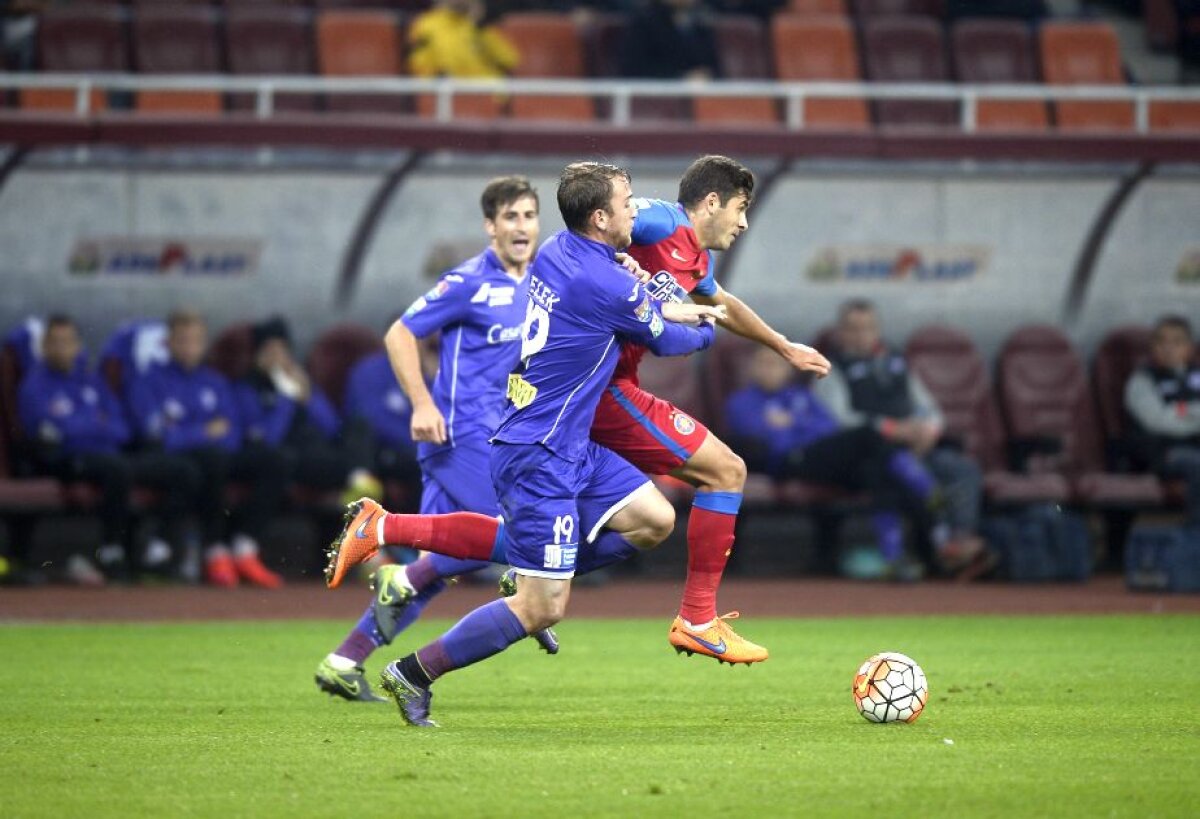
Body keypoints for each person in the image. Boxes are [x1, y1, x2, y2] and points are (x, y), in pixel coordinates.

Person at [331, 155, 831, 666]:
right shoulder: (654, 222)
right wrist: (694, 324)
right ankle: (696, 618)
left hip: (555, 411)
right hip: (589, 400)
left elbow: (717, 302)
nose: (744, 222)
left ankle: (400, 551)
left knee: (650, 520)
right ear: (710, 202)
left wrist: (780, 344)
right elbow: (666, 329)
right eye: (741, 208)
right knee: (725, 471)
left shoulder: (600, 253)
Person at [326, 162, 722, 726]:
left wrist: (639, 283)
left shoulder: (559, 251)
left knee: (654, 519)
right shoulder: (601, 281)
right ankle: (414, 667)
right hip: (538, 451)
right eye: (627, 202)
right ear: (600, 217)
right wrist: (707, 326)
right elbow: (668, 340)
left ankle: (392, 535)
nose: (636, 211)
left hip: (566, 443)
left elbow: (626, 302)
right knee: (542, 607)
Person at [315, 176, 549, 702]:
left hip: (497, 434)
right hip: (458, 432)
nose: (521, 226)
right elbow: (400, 333)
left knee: (441, 567)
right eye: (510, 217)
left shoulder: (539, 283)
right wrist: (421, 403)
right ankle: (434, 577)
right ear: (490, 226)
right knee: (509, 532)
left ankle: (344, 660)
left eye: (529, 216)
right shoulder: (468, 281)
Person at [725, 347, 948, 580]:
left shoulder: (801, 395)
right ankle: (927, 489)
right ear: (752, 368)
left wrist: (792, 423)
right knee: (868, 433)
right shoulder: (741, 402)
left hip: (823, 458)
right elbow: (766, 438)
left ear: (787, 370)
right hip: (789, 461)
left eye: (776, 364)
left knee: (876, 471)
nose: (769, 369)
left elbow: (829, 426)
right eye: (763, 363)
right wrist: (803, 423)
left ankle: (894, 558)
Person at [812, 299, 989, 577]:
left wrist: (929, 430)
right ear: (840, 332)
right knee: (892, 474)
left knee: (962, 468)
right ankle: (922, 550)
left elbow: (928, 406)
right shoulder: (829, 368)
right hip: (870, 453)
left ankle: (959, 542)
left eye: (868, 328)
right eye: (853, 328)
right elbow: (840, 419)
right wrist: (892, 429)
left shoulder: (896, 361)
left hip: (917, 446)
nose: (861, 335)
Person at [17, 314, 199, 582]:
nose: (62, 348)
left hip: (110, 455)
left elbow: (121, 429)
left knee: (182, 470)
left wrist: (77, 422)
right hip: (67, 459)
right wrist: (94, 422)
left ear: (78, 346)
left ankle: (157, 546)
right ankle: (112, 550)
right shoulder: (34, 385)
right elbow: (47, 433)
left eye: (68, 341)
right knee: (117, 469)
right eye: (54, 342)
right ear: (44, 347)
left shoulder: (91, 381)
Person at [127, 309, 287, 588]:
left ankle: (245, 545)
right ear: (168, 343)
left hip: (217, 455)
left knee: (276, 460)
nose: (189, 348)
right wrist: (203, 432)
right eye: (182, 340)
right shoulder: (150, 381)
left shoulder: (215, 381)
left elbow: (233, 433)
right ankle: (215, 549)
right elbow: (156, 434)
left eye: (195, 341)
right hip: (174, 459)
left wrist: (188, 432)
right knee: (210, 460)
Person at [235, 317, 379, 504]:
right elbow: (269, 439)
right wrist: (286, 398)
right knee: (310, 459)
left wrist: (309, 398)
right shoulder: (247, 388)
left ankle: (359, 481)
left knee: (359, 425)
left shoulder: (300, 381)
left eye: (282, 351)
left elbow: (331, 427)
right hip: (293, 455)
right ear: (257, 356)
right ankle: (357, 485)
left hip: (322, 447)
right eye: (270, 352)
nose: (277, 358)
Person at [1124, 314, 1200, 526]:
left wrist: (1181, 411)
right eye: (1161, 341)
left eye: (1177, 342)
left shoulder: (1197, 375)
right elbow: (1158, 421)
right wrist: (1193, 414)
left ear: (1190, 348)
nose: (1168, 348)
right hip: (1162, 452)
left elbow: (1172, 415)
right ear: (1152, 347)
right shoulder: (1142, 380)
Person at [408, 0, 520, 79]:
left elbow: (509, 59)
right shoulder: (427, 24)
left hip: (486, 91)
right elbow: (418, 63)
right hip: (448, 91)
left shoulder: (477, 25)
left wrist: (477, 26)